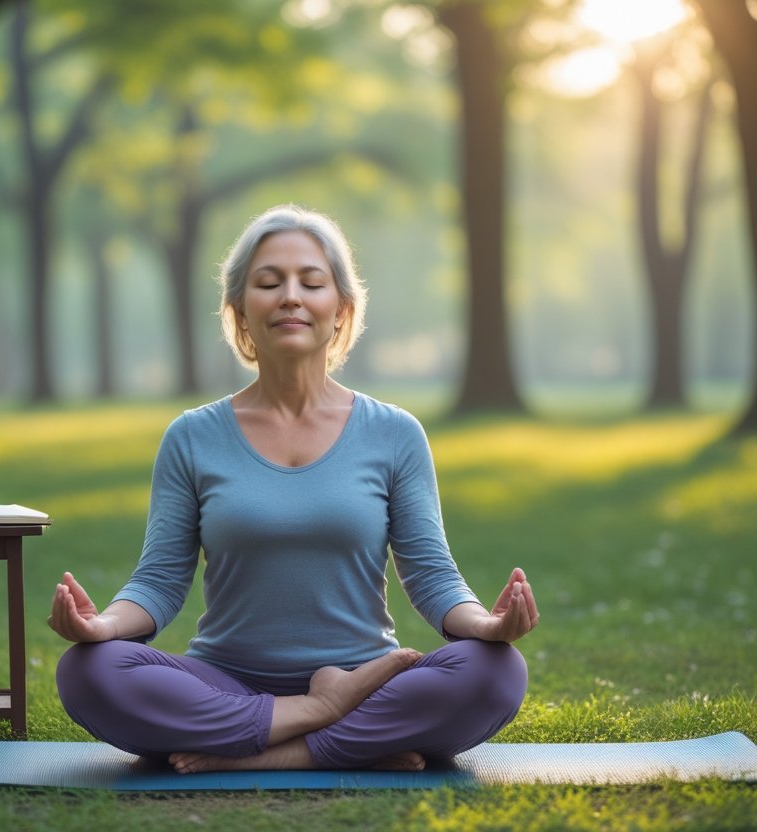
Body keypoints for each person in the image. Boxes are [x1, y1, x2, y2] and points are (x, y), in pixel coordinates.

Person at [49, 204, 539, 773]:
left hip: (364, 679)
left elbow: (430, 574)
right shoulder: (191, 437)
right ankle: (332, 728)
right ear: (239, 312)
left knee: (496, 671)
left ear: (341, 310)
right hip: (225, 681)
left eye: (311, 282)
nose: (289, 296)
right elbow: (159, 580)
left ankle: (271, 749)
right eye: (267, 282)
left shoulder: (395, 434)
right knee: (88, 671)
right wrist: (101, 627)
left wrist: (486, 626)